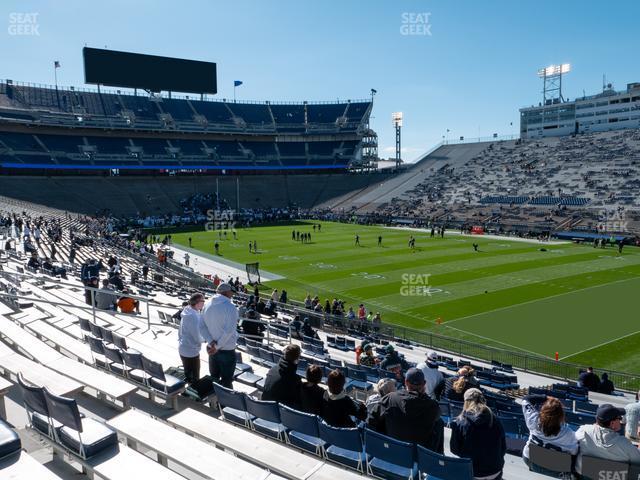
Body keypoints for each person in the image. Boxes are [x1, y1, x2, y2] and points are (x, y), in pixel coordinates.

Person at [368, 368, 444, 453]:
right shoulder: (433, 406)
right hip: (418, 456)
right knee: (439, 423)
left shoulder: (391, 398)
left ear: (406, 382)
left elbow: (370, 420)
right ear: (424, 384)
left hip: (391, 450)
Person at [450, 388, 506, 480]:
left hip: (472, 473)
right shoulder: (496, 420)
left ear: (466, 402)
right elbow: (503, 449)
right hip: (495, 472)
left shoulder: (460, 422)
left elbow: (455, 449)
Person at [575, 404, 640, 474]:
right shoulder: (624, 444)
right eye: (619, 418)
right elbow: (638, 462)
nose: (621, 421)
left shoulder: (582, 431)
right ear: (612, 423)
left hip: (583, 475)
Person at [521, 394, 578, 474]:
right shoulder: (568, 433)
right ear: (561, 416)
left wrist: (548, 398)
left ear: (542, 410)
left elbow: (526, 398)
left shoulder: (532, 420)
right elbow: (574, 453)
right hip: (555, 469)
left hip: (530, 460)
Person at [200, 283, 239, 388]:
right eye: (231, 292)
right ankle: (225, 404)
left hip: (211, 349)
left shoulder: (207, 304)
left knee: (214, 379)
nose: (232, 295)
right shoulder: (231, 307)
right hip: (225, 350)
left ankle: (215, 404)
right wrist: (216, 346)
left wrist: (211, 342)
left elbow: (201, 326)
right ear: (226, 292)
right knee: (227, 382)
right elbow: (229, 331)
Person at [262, 344, 302, 408]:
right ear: (297, 359)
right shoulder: (294, 379)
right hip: (276, 410)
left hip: (263, 405)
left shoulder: (273, 369)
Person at [178, 293, 206, 385]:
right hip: (191, 351)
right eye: (203, 301)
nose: (204, 303)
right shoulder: (194, 317)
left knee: (188, 374)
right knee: (195, 378)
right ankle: (192, 396)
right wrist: (205, 339)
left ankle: (187, 392)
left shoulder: (187, 311)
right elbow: (197, 337)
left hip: (183, 347)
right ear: (197, 302)